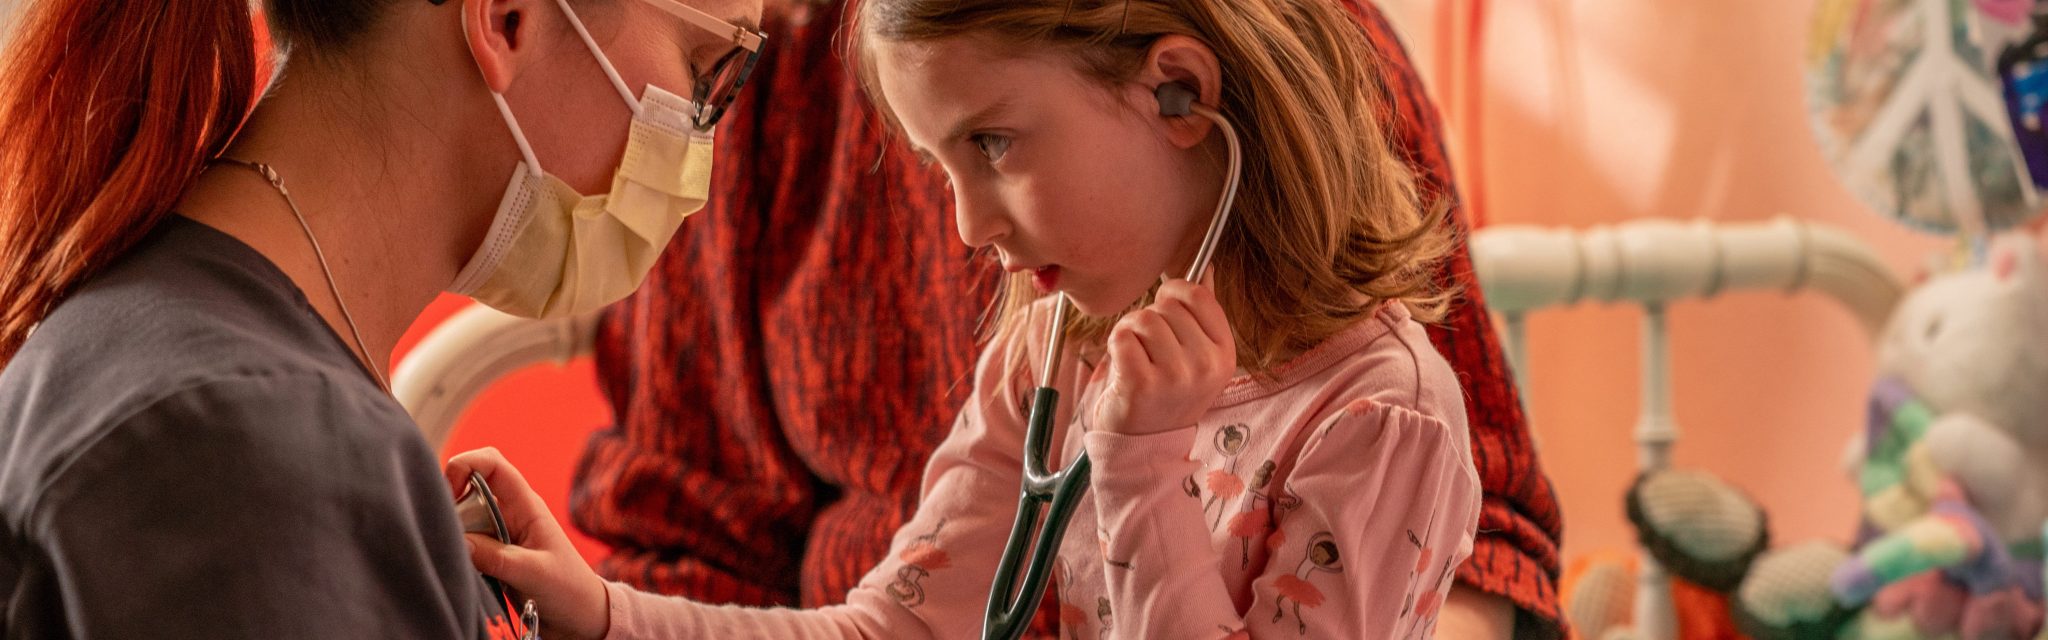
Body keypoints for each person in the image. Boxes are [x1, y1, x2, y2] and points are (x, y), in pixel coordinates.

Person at [452, 0, 1528, 636]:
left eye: (992, 145)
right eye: (939, 166)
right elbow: (891, 626)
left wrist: (1142, 469)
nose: (965, 229)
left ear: (1179, 97)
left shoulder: (1381, 423)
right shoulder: (1051, 359)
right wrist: (602, 612)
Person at [0, 0, 762, 635]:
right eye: (704, 72)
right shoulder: (251, 452)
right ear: (506, 20)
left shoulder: (204, 364)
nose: (699, 150)